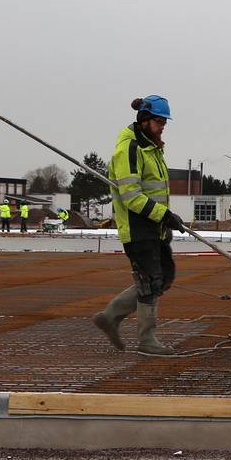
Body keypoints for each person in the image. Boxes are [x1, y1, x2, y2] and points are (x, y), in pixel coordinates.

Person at [91, 95, 185, 356]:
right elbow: (131, 196)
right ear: (144, 120)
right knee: (150, 281)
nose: (162, 126)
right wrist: (163, 214)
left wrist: (165, 218)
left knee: (163, 277)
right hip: (138, 227)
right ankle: (147, 340)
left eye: (165, 121)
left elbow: (154, 191)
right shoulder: (129, 149)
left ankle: (109, 317)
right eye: (158, 121)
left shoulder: (152, 147)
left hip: (155, 226)